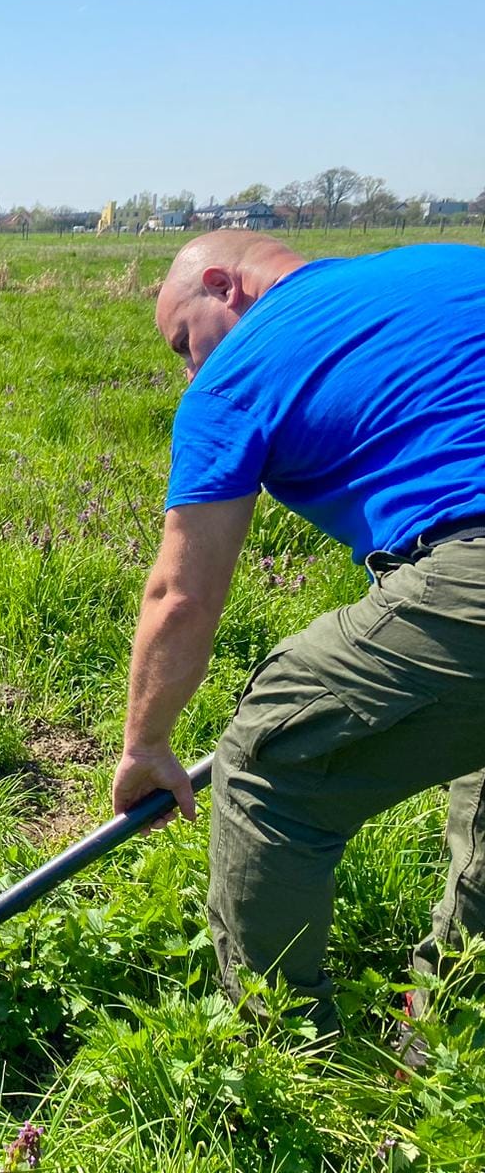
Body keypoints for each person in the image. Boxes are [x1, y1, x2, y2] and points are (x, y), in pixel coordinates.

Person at [110, 231, 485, 1047]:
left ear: (224, 285)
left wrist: (146, 745)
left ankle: (286, 1058)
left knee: (271, 764)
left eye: (184, 342)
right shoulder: (450, 263)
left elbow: (181, 594)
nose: (188, 372)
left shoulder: (237, 376)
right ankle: (451, 1042)